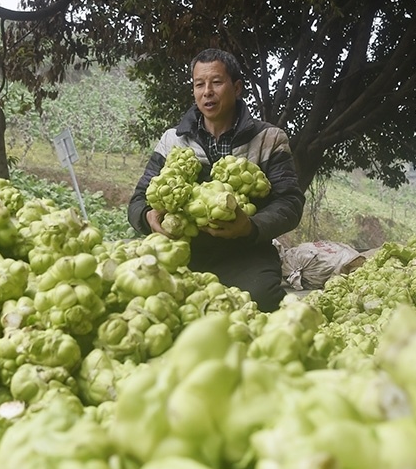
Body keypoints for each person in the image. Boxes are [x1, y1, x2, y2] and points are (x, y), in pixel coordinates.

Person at [127, 48, 306, 312]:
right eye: (199, 84)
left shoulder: (269, 139)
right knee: (147, 299)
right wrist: (148, 218)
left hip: (245, 253)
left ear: (237, 88)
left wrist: (250, 227)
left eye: (217, 82)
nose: (207, 91)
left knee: (260, 299)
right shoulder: (172, 140)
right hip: (183, 251)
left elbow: (290, 203)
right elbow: (138, 200)